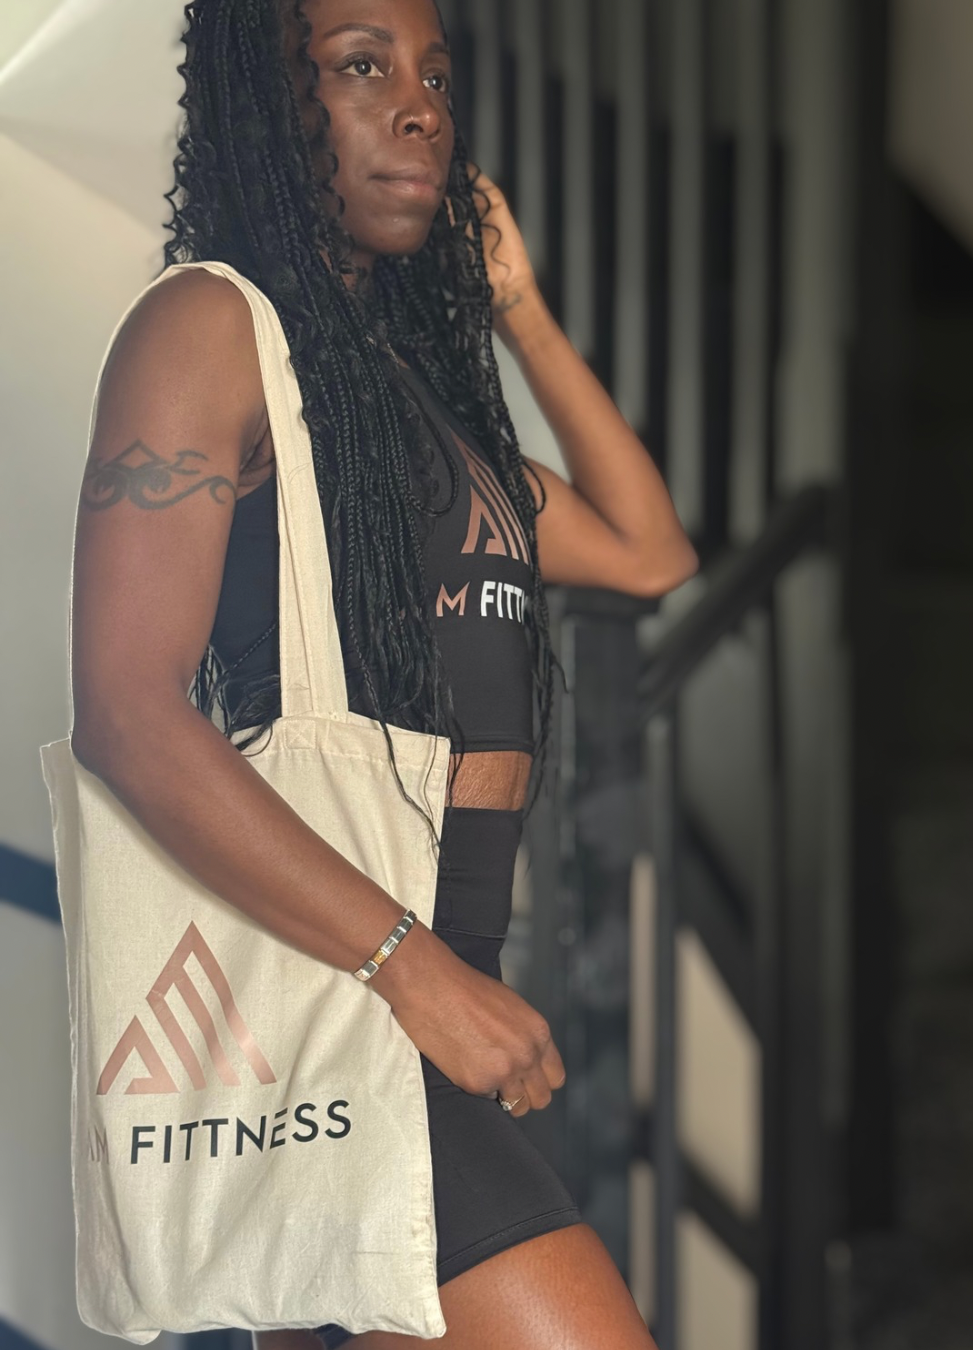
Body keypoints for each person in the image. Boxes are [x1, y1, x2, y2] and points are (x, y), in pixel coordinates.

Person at [69, 0, 698, 1346]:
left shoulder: (412, 394)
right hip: (346, 996)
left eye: (432, 73)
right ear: (272, 102)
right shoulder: (207, 328)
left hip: (427, 993)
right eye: (362, 67)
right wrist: (411, 968)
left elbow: (651, 552)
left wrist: (519, 308)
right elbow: (127, 708)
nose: (417, 104)